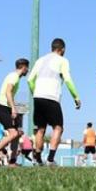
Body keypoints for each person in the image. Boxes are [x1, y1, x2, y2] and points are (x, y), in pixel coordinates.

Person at [28, 38, 81, 166]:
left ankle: (38, 159)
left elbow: (30, 80)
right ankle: (50, 159)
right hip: (51, 97)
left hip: (38, 96)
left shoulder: (40, 60)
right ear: (62, 49)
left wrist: (35, 92)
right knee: (58, 127)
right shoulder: (62, 60)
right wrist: (76, 97)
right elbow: (67, 79)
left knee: (40, 129)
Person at [0, 59, 30, 165]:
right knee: (13, 133)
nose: (28, 70)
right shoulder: (14, 76)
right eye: (27, 68)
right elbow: (8, 92)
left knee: (17, 134)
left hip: (7, 107)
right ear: (23, 67)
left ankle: (12, 161)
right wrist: (13, 108)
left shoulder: (15, 77)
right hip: (3, 108)